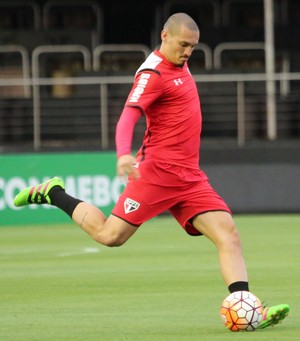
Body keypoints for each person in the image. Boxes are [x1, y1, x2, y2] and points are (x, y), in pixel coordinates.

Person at [14, 13, 289, 329]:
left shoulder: (179, 64)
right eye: (183, 45)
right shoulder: (152, 73)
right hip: (157, 173)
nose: (187, 52)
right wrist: (122, 154)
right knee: (109, 235)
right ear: (165, 36)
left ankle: (246, 311)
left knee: (228, 233)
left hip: (189, 177)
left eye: (193, 47)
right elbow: (127, 117)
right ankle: (53, 192)